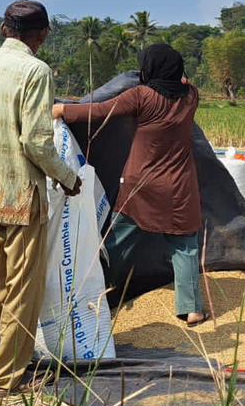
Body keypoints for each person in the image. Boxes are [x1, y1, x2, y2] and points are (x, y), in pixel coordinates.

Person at [0, 0, 82, 396]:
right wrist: (67, 178)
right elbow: (36, 142)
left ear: (2, 28)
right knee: (21, 289)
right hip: (19, 195)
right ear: (43, 35)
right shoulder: (35, 71)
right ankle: (5, 376)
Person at [53, 43, 207, 325]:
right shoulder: (191, 97)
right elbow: (185, 83)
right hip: (181, 188)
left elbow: (99, 111)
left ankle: (96, 293)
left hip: (141, 187)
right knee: (185, 246)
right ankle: (192, 308)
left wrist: (62, 109)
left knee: (116, 244)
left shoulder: (141, 96)